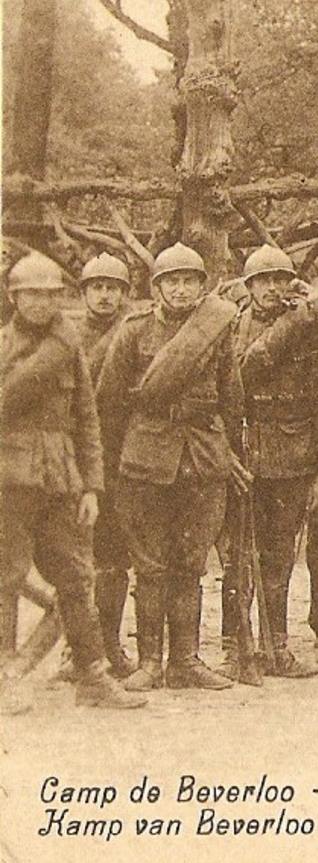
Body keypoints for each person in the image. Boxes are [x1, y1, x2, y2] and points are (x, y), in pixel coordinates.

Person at [97, 243, 247, 691]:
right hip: (145, 463)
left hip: (202, 459)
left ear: (202, 287)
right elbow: (108, 402)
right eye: (172, 282)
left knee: (191, 564)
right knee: (151, 565)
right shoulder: (133, 332)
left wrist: (231, 453)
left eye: (189, 281)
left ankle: (186, 660)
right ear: (156, 287)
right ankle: (150, 663)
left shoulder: (217, 330)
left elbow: (231, 396)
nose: (181, 290)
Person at [0, 253, 145, 713]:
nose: (41, 303)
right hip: (10, 481)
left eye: (50, 294)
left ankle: (93, 677)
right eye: (31, 295)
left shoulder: (70, 348)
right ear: (14, 297)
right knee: (6, 580)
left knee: (77, 580)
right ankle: (5, 678)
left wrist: (91, 488)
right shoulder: (4, 347)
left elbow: (87, 421)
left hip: (63, 483)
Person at [225, 245, 318, 680]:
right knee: (238, 556)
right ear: (248, 286)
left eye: (278, 279)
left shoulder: (311, 331)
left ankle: (278, 648)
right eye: (262, 280)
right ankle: (237, 649)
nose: (270, 288)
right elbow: (236, 380)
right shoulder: (232, 328)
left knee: (280, 556)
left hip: (293, 455)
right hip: (248, 453)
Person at [78, 253, 136, 677]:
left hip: (121, 457)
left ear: (124, 294)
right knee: (75, 560)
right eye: (96, 287)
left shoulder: (133, 334)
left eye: (112, 287)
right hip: (76, 458)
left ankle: (111, 644)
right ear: (83, 293)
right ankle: (77, 648)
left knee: (115, 558)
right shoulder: (66, 337)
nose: (104, 295)